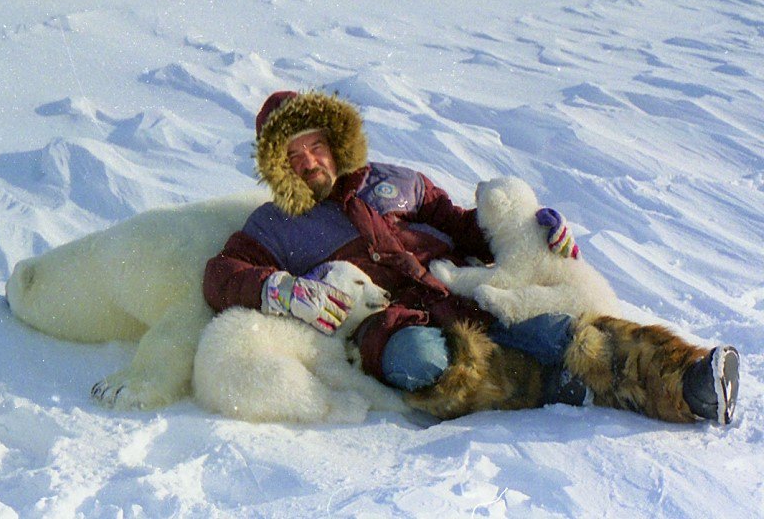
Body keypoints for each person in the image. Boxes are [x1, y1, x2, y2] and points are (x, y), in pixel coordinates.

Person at [203, 90, 740, 425]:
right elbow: (222, 275)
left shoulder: (395, 181)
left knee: (564, 331)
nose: (308, 162)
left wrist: (534, 234)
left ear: (333, 140)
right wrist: (279, 290)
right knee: (421, 361)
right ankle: (550, 383)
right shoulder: (274, 225)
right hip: (394, 324)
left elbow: (469, 226)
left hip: (466, 289)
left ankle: (691, 383)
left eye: (313, 145)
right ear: (277, 166)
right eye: (292, 156)